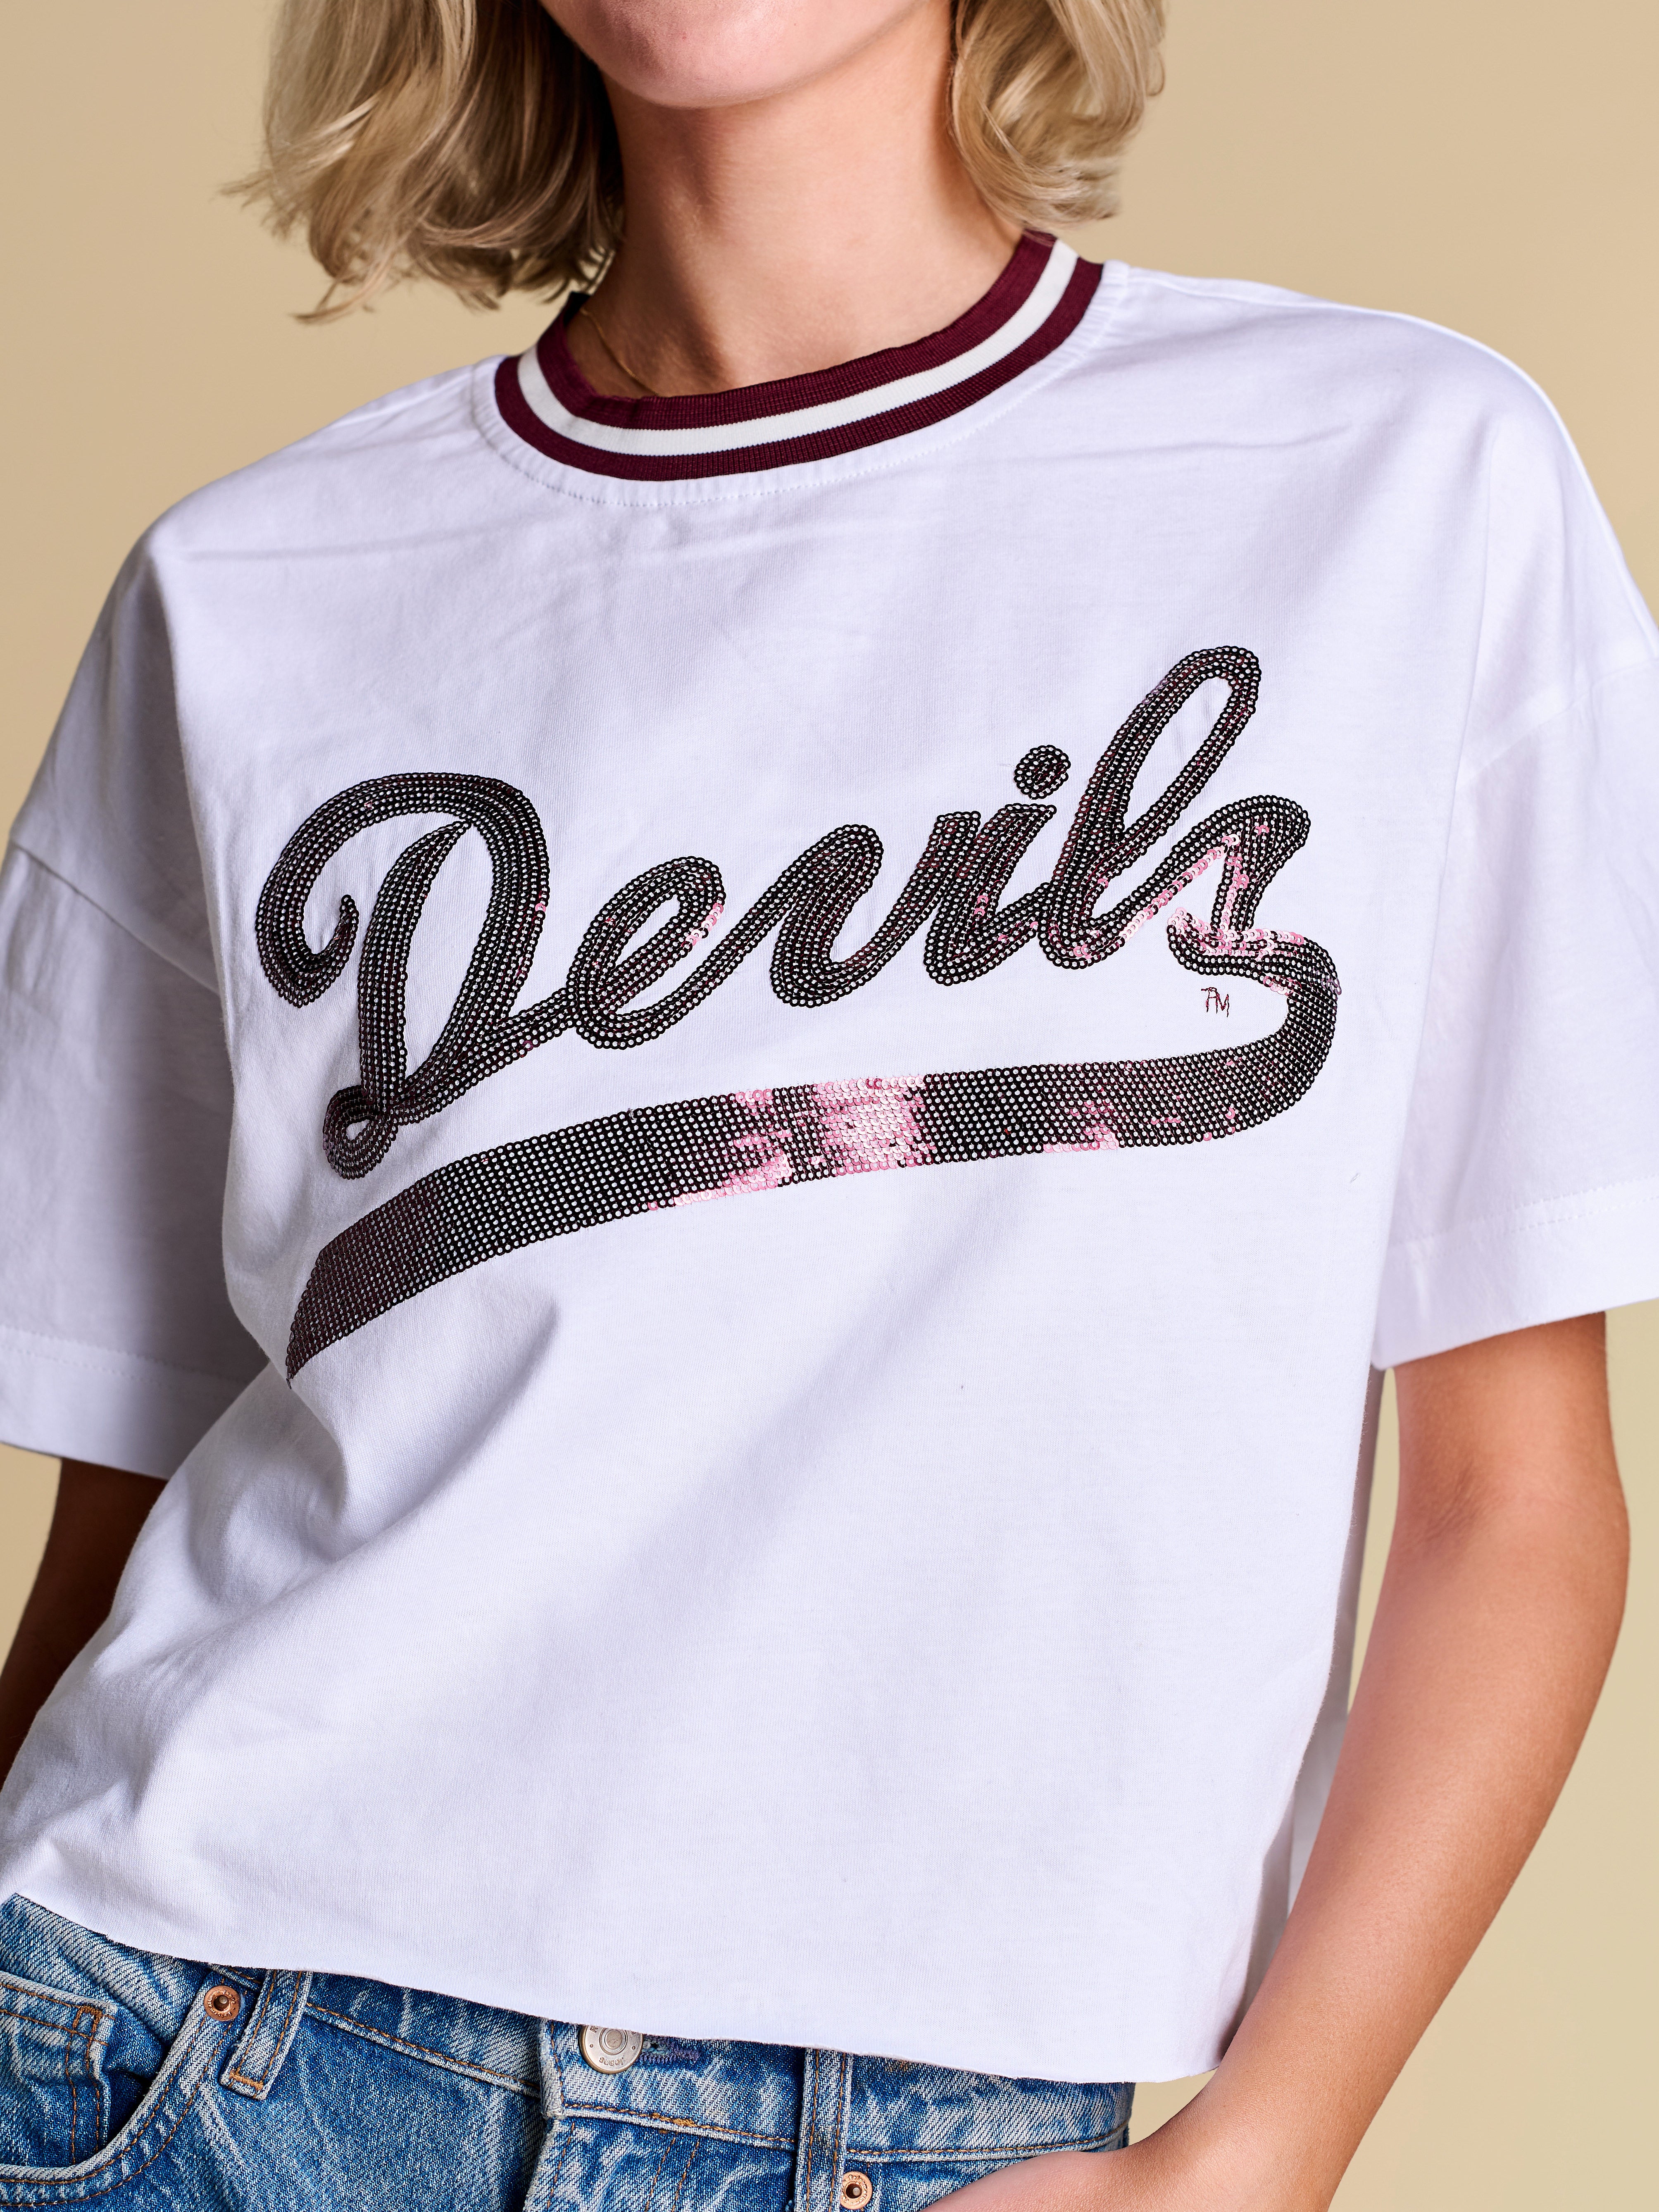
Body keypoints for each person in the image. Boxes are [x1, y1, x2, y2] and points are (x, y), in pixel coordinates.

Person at [0, 1, 1649, 2205]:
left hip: (922, 2140)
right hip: (173, 2071)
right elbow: (120, 1515)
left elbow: (1509, 1509)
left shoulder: (1404, 485)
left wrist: (1260, 2157)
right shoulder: (247, 592)